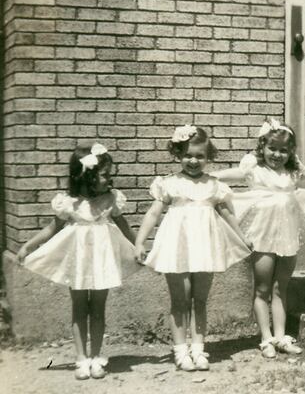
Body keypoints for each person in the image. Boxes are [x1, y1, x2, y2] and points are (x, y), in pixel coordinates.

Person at [17, 143, 141, 380]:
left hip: (102, 260)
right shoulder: (69, 203)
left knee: (98, 308)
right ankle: (81, 358)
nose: (109, 179)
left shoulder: (110, 199)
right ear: (87, 175)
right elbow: (52, 228)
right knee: (79, 307)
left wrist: (141, 247)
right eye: (105, 174)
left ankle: (96, 357)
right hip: (79, 261)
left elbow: (125, 228)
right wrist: (27, 246)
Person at [135, 125, 251, 371]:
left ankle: (198, 349)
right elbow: (154, 213)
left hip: (205, 248)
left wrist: (242, 238)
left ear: (208, 157)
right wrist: (140, 240)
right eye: (188, 155)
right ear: (178, 154)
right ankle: (180, 350)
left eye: (199, 156)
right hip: (176, 246)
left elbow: (228, 214)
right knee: (180, 299)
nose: (193, 160)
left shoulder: (213, 185)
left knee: (200, 299)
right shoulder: (169, 184)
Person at [212, 118, 305, 358]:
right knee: (262, 288)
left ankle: (282, 336)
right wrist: (210, 176)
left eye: (283, 150)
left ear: (291, 152)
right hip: (261, 235)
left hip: (286, 235)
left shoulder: (293, 172)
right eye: (272, 148)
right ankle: (266, 338)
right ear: (262, 147)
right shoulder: (254, 168)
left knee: (280, 287)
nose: (277, 154)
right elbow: (233, 174)